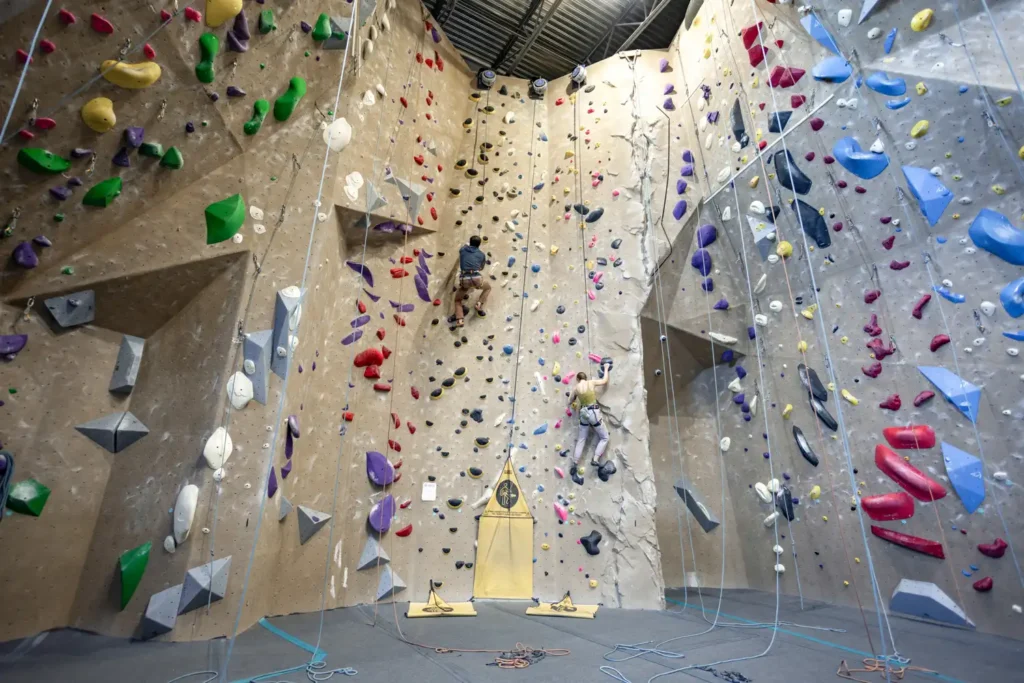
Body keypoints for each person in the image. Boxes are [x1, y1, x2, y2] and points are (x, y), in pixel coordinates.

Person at [567, 363, 611, 470]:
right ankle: (595, 459)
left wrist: (573, 397)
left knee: (581, 439)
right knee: (605, 437)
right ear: (585, 378)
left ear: (578, 379)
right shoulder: (591, 382)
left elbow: (570, 401)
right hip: (593, 412)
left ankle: (575, 462)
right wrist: (606, 368)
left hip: (583, 413)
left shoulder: (576, 388)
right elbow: (604, 380)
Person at [451, 235, 490, 326]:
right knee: (488, 287)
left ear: (470, 242)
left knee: (458, 300)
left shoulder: (463, 250)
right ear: (479, 244)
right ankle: (479, 304)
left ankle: (460, 320)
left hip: (465, 279)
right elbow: (481, 268)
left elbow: (464, 247)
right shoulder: (481, 254)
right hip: (477, 278)